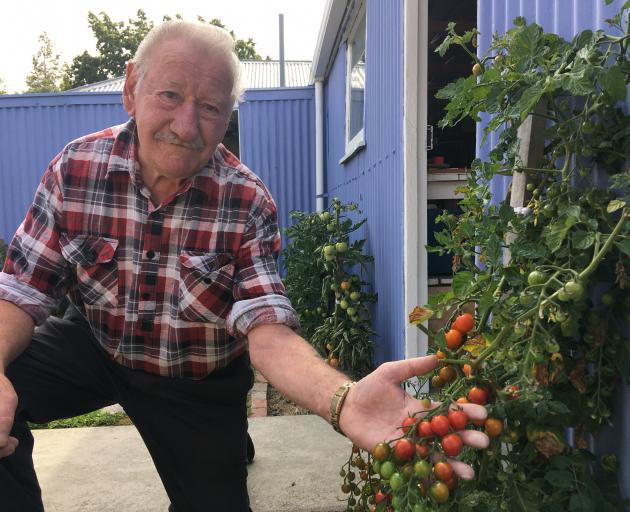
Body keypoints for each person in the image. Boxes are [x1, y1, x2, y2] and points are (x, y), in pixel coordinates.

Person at [0, 21, 489, 511]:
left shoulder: (245, 199)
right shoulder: (75, 167)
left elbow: (267, 330)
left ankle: (228, 446)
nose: (187, 126)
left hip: (197, 379)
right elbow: (22, 288)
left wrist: (340, 398)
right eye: (170, 95)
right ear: (131, 88)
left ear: (228, 114)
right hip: (96, 344)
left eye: (210, 107)